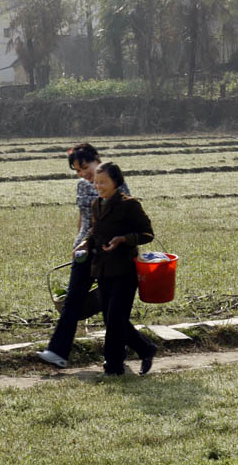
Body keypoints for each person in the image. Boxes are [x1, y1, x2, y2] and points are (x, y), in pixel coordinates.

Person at [36, 143, 129, 369]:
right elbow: (83, 216)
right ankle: (57, 352)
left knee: (110, 308)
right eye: (77, 170)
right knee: (72, 301)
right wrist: (79, 242)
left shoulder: (117, 185)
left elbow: (123, 220)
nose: (83, 174)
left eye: (85, 167)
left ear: (97, 159)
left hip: (107, 254)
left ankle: (128, 351)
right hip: (84, 250)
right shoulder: (81, 185)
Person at [87, 161, 157, 376]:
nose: (99, 186)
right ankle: (146, 348)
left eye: (103, 182)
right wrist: (85, 243)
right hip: (103, 271)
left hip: (125, 271)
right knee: (111, 319)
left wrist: (123, 239)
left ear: (116, 182)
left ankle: (113, 366)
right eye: (96, 182)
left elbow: (147, 234)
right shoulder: (96, 205)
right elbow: (95, 232)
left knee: (116, 319)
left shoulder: (129, 205)